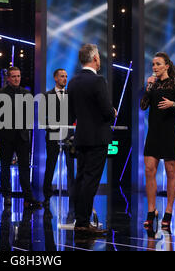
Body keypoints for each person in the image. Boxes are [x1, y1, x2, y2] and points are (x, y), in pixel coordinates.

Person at [67, 44, 117, 236]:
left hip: (81, 137)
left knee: (81, 178)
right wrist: (112, 112)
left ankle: (80, 220)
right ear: (95, 58)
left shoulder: (72, 82)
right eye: (99, 57)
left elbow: (71, 113)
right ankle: (83, 221)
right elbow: (106, 111)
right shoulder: (98, 81)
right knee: (90, 181)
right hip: (97, 138)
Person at [141, 52, 175, 232]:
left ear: (167, 66)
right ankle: (151, 211)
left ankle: (168, 211)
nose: (154, 67)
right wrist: (148, 87)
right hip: (153, 133)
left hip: (169, 134)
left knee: (170, 171)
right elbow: (143, 106)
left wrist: (173, 104)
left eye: (158, 64)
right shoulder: (152, 85)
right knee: (149, 169)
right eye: (153, 64)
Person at [0, 67, 41, 208]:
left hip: (22, 136)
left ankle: (28, 197)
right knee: (5, 167)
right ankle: (7, 196)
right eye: (13, 76)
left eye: (18, 76)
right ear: (8, 78)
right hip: (6, 136)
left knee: (24, 168)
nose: (16, 78)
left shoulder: (26, 93)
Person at [42, 68, 75, 208]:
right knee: (50, 165)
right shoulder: (47, 96)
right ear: (55, 78)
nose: (65, 79)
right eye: (62, 76)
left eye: (66, 76)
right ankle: (47, 196)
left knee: (71, 166)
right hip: (53, 134)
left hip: (69, 134)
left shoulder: (72, 96)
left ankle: (72, 195)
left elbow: (75, 115)